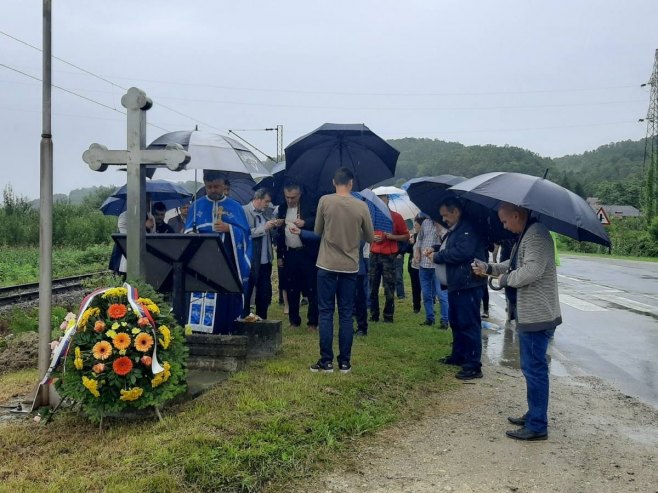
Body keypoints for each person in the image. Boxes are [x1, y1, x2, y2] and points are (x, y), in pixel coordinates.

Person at [472, 202, 562, 441]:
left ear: (516, 215)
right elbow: (511, 266)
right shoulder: (526, 234)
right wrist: (488, 266)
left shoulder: (536, 235)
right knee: (531, 368)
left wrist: (503, 280)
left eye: (504, 221)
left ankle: (537, 424)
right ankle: (534, 413)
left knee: (535, 370)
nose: (504, 226)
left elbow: (531, 271)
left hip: (538, 314)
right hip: (530, 312)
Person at [311, 167, 374, 373]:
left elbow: (318, 230)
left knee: (326, 312)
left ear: (333, 182)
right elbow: (370, 237)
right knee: (346, 313)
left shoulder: (325, 201)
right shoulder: (361, 206)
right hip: (350, 266)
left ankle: (326, 361)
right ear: (351, 183)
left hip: (327, 264)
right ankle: (345, 362)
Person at [425, 197, 487, 380]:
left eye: (446, 215)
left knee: (469, 323)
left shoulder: (468, 228)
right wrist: (436, 248)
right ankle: (458, 355)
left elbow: (462, 252)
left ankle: (473, 365)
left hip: (468, 283)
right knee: (457, 321)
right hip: (457, 283)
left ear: (456, 212)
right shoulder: (456, 229)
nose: (444, 219)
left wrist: (437, 256)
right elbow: (451, 246)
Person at [184, 170, 252, 334]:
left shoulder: (235, 207)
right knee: (200, 295)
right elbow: (186, 232)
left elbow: (245, 235)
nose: (213, 190)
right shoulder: (196, 207)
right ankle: (197, 329)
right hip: (201, 263)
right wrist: (191, 234)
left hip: (226, 261)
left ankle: (223, 328)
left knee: (223, 297)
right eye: (209, 187)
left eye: (217, 186)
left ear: (224, 185)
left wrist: (229, 228)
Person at [276, 182, 319, 330]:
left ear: (299, 194)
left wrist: (305, 222)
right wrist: (280, 254)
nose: (289, 200)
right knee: (291, 287)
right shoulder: (282, 208)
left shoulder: (309, 205)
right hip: (289, 252)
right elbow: (279, 235)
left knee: (312, 287)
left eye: (293, 197)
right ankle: (294, 320)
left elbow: (318, 222)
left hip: (306, 252)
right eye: (287, 197)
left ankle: (313, 322)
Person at [369, 194, 409, 323]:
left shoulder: (396, 217)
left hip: (389, 255)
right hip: (374, 254)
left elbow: (406, 236)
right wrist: (372, 237)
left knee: (389, 287)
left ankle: (388, 316)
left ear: (388, 199)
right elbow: (364, 232)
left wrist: (392, 237)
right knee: (372, 287)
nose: (381, 200)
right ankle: (374, 315)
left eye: (383, 197)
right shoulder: (372, 216)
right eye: (378, 198)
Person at [242, 188, 279, 319]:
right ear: (257, 199)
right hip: (250, 260)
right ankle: (244, 319)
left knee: (264, 294)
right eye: (266, 201)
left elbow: (271, 232)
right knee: (246, 293)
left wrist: (274, 225)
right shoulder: (244, 211)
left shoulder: (267, 212)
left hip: (266, 260)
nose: (268, 204)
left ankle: (262, 320)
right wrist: (264, 228)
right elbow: (244, 233)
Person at [414, 214, 449, 328]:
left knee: (441, 294)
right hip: (424, 264)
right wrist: (417, 252)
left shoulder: (445, 224)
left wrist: (439, 228)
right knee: (426, 293)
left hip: (438, 265)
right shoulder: (425, 222)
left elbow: (446, 243)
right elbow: (419, 239)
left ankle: (444, 320)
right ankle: (430, 318)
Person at [406, 217, 422, 314]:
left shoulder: (426, 237)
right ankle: (416, 306)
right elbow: (407, 250)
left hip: (423, 264)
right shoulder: (414, 236)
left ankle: (431, 301)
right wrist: (411, 243)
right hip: (413, 265)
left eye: (416, 225)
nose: (415, 227)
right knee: (415, 286)